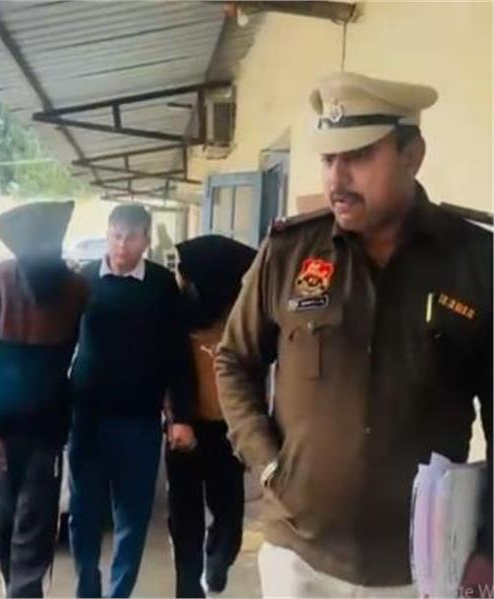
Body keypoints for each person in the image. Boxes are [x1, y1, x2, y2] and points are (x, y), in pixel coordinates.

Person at [215, 71, 492, 598]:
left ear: (412, 155)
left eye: (358, 156)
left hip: (418, 567)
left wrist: (490, 541)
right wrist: (268, 462)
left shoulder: (475, 262)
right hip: (300, 558)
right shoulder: (290, 252)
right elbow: (233, 360)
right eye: (327, 159)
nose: (337, 178)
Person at [68, 204, 197, 598]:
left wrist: (181, 416)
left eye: (131, 237)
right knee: (83, 514)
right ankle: (87, 588)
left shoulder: (161, 285)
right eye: (116, 235)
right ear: (107, 234)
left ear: (146, 240)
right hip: (86, 419)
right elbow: (60, 346)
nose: (122, 245)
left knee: (132, 516)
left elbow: (178, 355)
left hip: (139, 421)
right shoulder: (83, 280)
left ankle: (119, 592)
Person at [0, 201, 89, 598]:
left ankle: (24, 592)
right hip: (3, 428)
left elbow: (85, 352)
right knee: (6, 523)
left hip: (48, 429)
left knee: (35, 525)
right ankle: (16, 590)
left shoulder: (75, 289)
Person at [167, 235, 256, 597]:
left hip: (228, 430)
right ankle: (189, 590)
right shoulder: (179, 313)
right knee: (183, 519)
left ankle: (217, 563)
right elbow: (170, 372)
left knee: (229, 513)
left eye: (185, 272)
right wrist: (177, 419)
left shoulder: (241, 317)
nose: (181, 278)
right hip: (185, 428)